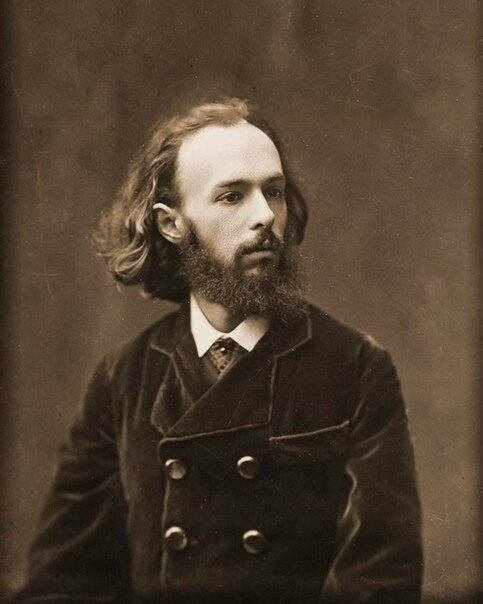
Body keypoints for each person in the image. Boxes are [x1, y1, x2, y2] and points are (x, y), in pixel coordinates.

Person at [14, 98, 423, 603]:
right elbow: (64, 581)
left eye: (274, 191)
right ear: (172, 224)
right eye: (232, 196)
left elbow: (379, 578)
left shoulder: (355, 367)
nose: (265, 215)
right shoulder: (123, 377)